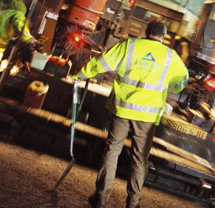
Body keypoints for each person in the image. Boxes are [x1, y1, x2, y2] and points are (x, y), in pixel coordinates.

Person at [73, 21, 189, 208]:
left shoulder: (130, 45)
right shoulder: (170, 57)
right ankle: (133, 203)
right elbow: (182, 80)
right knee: (140, 157)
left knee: (112, 150)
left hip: (122, 109)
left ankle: (101, 198)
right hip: (147, 116)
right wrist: (168, 89)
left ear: (146, 31)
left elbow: (101, 63)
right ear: (164, 36)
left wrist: (81, 74)